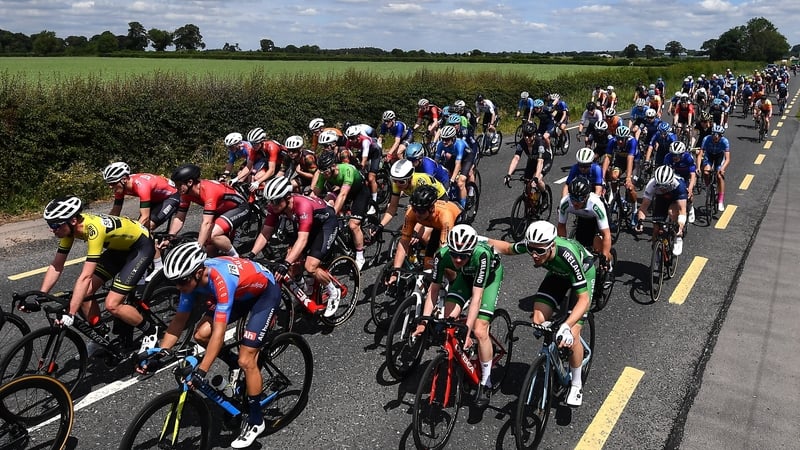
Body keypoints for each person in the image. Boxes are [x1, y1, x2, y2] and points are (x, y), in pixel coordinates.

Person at [144, 242, 281, 448]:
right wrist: (160, 353)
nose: (179, 287)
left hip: (263, 293)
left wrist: (202, 370)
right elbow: (179, 320)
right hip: (240, 294)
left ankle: (256, 421)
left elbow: (220, 333)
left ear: (199, 273)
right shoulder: (189, 280)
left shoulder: (220, 280)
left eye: (181, 282)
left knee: (247, 360)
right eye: (175, 282)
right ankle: (233, 362)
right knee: (200, 335)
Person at [492, 221, 595, 407]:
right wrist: (480, 240)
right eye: (531, 249)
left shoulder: (567, 254)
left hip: (582, 273)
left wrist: (566, 326)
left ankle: (576, 384)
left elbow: (584, 300)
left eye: (539, 251)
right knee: (538, 319)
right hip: (557, 274)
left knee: (573, 332)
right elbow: (506, 248)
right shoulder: (535, 245)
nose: (534, 254)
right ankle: (555, 351)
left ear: (552, 245)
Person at [40, 196, 158, 351]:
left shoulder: (93, 229)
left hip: (140, 248)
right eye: (50, 224)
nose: (52, 229)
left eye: (55, 225)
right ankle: (100, 335)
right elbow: (57, 265)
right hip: (119, 249)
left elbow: (86, 276)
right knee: (84, 295)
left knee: (112, 305)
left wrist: (71, 314)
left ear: (73, 220)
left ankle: (150, 331)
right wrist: (40, 295)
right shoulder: (68, 231)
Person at [412, 224, 504, 408]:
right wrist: (423, 322)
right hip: (466, 277)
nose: (458, 259)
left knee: (479, 330)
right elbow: (434, 290)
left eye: (463, 256)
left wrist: (468, 332)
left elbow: (477, 298)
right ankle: (463, 355)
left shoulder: (481, 255)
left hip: (489, 279)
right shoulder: (442, 255)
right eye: (454, 254)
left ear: (471, 251)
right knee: (449, 320)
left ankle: (485, 381)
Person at [247, 177, 341, 316]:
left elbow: (302, 239)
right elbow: (265, 232)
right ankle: (306, 292)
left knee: (310, 266)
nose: (272, 205)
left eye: (276, 201)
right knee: (292, 262)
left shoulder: (302, 205)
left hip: (326, 225)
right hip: (308, 225)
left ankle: (333, 291)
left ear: (288, 197)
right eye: (270, 201)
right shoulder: (275, 207)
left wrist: (285, 263)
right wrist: (251, 255)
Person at [168, 163, 249, 257]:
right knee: (209, 254)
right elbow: (179, 217)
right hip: (220, 210)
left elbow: (207, 223)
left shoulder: (208, 190)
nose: (176, 189)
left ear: (190, 182)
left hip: (239, 207)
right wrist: (170, 237)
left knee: (212, 235)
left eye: (178, 185)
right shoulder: (185, 193)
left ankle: (236, 257)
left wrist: (198, 247)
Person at [312, 152, 370, 270]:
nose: (324, 175)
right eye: (322, 172)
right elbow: (315, 194)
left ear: (333, 166)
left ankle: (360, 256)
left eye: (326, 172)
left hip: (359, 192)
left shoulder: (346, 170)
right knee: (325, 202)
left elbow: (343, 195)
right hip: (343, 189)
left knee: (353, 225)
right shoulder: (324, 173)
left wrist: (331, 215)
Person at [389, 185, 462, 272]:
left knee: (449, 266)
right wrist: (396, 271)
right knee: (428, 264)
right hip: (437, 226)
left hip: (457, 223)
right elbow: (404, 242)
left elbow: (443, 250)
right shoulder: (411, 212)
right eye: (415, 209)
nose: (417, 214)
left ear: (431, 209)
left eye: (421, 211)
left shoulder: (445, 217)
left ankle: (454, 282)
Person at [103, 162, 180, 232]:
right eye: (109, 183)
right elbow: (115, 212)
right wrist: (104, 227)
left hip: (171, 196)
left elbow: (145, 217)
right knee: (142, 227)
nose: (110, 186)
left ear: (124, 180)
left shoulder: (141, 186)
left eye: (113, 183)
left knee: (148, 226)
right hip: (154, 198)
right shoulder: (119, 188)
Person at [379, 159, 448, 231]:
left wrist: (415, 230)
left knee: (424, 234)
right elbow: (392, 208)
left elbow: (424, 211)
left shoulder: (420, 182)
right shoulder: (397, 184)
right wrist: (381, 225)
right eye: (394, 180)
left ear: (410, 178)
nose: (397, 184)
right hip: (422, 202)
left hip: (439, 198)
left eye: (401, 181)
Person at [557, 178, 613, 265]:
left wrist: (604, 259)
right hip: (584, 218)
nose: (575, 203)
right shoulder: (565, 202)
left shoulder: (595, 204)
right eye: (572, 198)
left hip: (596, 219)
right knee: (580, 245)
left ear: (587, 196)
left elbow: (606, 235)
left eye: (579, 199)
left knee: (598, 248)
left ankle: (609, 265)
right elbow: (561, 226)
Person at [635, 166, 688, 256]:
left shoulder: (679, 185)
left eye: (665, 185)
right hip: (661, 200)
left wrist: (680, 226)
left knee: (672, 212)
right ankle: (656, 251)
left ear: (671, 181)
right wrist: (640, 222)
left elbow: (682, 210)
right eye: (660, 185)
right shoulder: (652, 184)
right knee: (656, 229)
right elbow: (643, 207)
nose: (662, 188)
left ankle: (678, 236)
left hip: (675, 199)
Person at [602, 125, 639, 226]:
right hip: (620, 161)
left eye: (622, 139)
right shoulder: (612, 141)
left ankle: (635, 211)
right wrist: (602, 176)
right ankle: (615, 197)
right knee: (614, 177)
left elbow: (630, 159)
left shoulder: (632, 142)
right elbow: (607, 159)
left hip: (634, 162)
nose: (620, 141)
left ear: (626, 138)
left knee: (630, 187)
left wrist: (628, 178)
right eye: (618, 139)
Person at [503, 122, 552, 198]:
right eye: (525, 135)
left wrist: (535, 178)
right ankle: (530, 203)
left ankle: (544, 194)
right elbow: (516, 158)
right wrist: (509, 174)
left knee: (538, 180)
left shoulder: (540, 143)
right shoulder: (522, 143)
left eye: (529, 135)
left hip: (545, 160)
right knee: (527, 184)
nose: (526, 138)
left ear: (534, 135)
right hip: (532, 160)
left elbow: (540, 162)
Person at [435, 125, 475, 208]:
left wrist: (452, 179)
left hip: (467, 157)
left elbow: (458, 164)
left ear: (453, 138)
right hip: (455, 156)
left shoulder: (459, 144)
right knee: (446, 174)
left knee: (460, 181)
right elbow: (435, 162)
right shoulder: (440, 144)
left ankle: (463, 208)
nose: (444, 142)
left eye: (447, 139)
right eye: (442, 139)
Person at [345, 125, 383, 202]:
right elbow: (346, 153)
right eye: (348, 138)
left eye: (352, 138)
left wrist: (361, 167)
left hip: (375, 152)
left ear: (358, 136)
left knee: (371, 178)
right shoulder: (349, 141)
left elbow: (364, 158)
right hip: (365, 151)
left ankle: (374, 203)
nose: (350, 140)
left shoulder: (365, 140)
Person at [698, 124, 731, 212]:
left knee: (719, 176)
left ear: (721, 136)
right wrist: (698, 167)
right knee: (705, 172)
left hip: (719, 156)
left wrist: (722, 168)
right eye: (714, 134)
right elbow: (700, 154)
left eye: (717, 135)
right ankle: (708, 187)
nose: (715, 137)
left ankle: (720, 200)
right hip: (709, 155)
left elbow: (727, 159)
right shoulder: (706, 139)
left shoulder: (725, 141)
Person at [663, 141, 697, 223]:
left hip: (686, 176)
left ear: (682, 154)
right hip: (674, 176)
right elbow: (665, 172)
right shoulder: (667, 157)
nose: (675, 157)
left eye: (677, 155)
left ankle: (690, 207)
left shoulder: (688, 158)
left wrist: (690, 188)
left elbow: (693, 175)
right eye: (673, 154)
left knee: (689, 193)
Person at [242, 128, 284, 192]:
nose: (253, 146)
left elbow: (271, 171)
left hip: (284, 163)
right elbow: (248, 166)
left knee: (276, 184)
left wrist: (258, 182)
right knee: (257, 177)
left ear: (262, 141)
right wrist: (237, 179)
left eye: (255, 143)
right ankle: (266, 196)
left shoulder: (271, 146)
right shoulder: (254, 148)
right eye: (251, 143)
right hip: (273, 163)